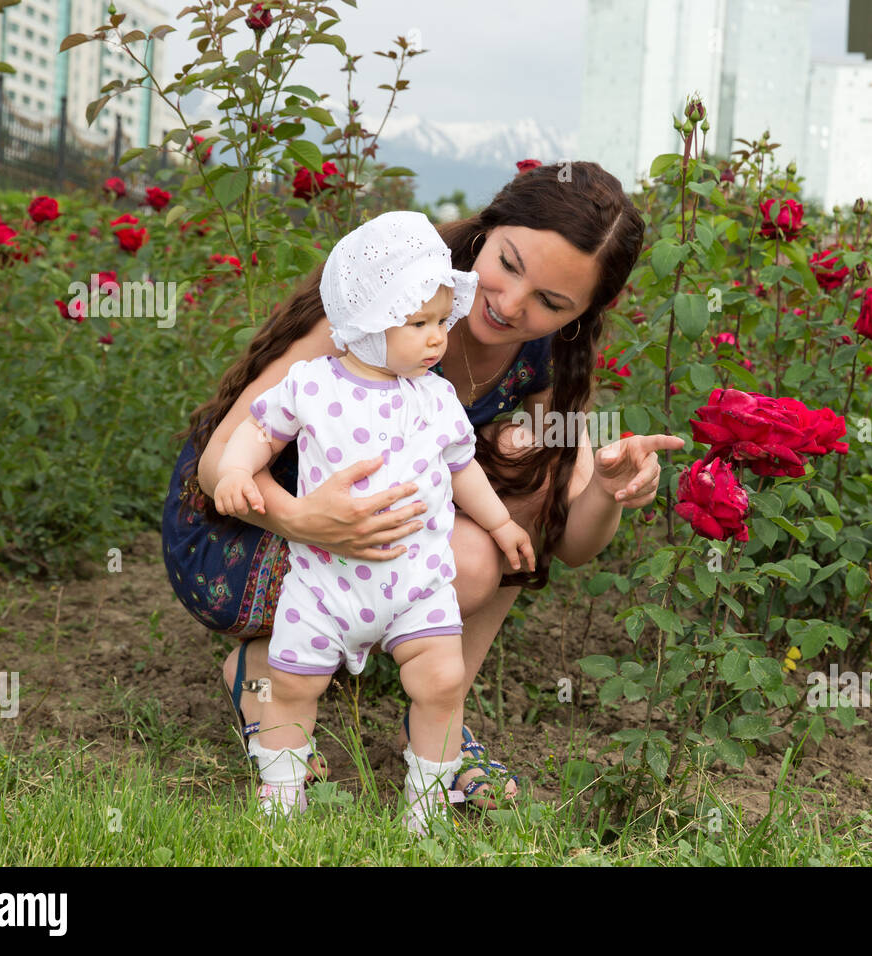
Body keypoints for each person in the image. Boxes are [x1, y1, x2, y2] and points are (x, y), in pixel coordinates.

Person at [161, 160, 683, 809]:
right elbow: (220, 465)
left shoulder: (545, 368)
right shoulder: (387, 299)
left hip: (377, 554)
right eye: (510, 264)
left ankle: (442, 718)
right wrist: (301, 519)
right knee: (470, 529)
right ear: (488, 228)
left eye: (552, 302)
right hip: (248, 534)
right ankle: (262, 670)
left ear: (583, 313)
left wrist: (609, 489)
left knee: (516, 503)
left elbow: (567, 544)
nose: (511, 304)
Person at [211, 211, 537, 829]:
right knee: (293, 688)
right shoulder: (310, 385)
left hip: (416, 581)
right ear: (362, 326)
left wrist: (498, 524)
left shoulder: (436, 397)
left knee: (443, 681)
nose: (438, 336)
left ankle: (428, 800)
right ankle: (281, 792)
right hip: (325, 584)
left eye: (442, 320)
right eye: (418, 323)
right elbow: (257, 431)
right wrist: (235, 472)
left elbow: (463, 468)